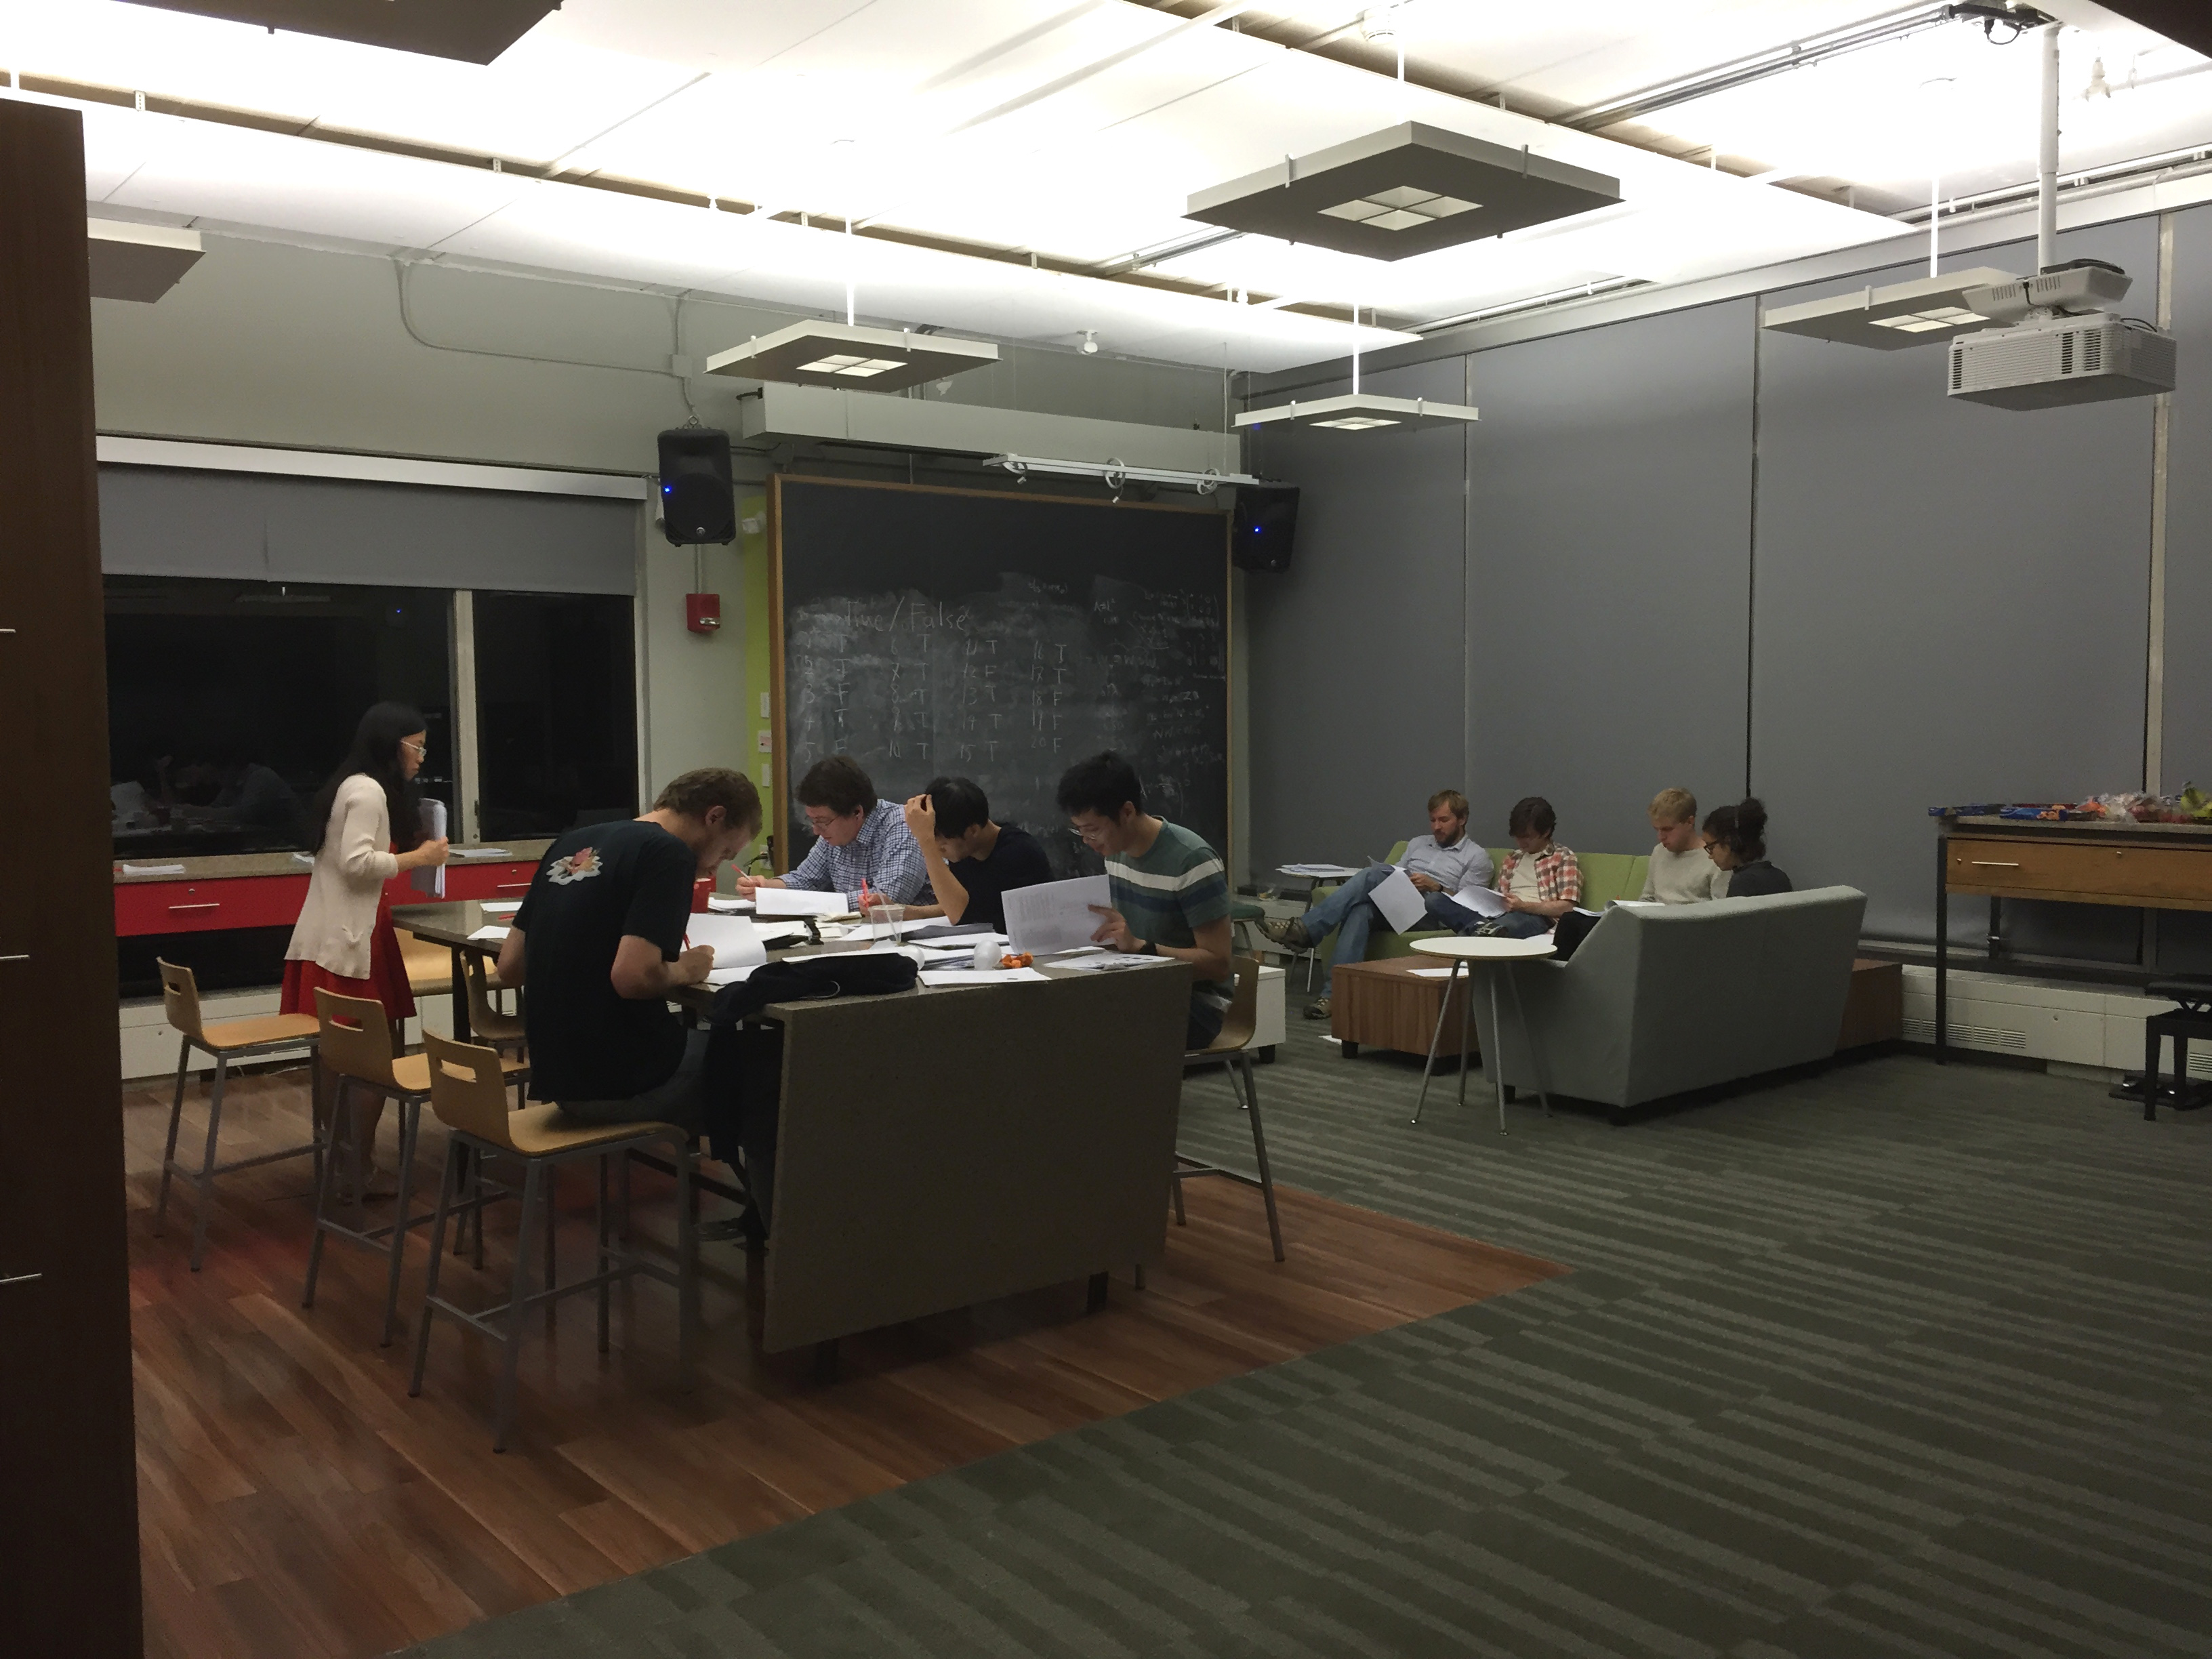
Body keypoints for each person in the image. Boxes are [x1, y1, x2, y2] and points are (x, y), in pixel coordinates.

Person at [493, 768, 761, 1133]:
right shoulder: (670, 854)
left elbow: (510, 966)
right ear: (714, 817)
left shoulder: (573, 842)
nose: (716, 867)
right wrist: (687, 968)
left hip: (557, 1078)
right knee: (777, 1066)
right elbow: (633, 978)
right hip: (624, 1080)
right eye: (727, 851)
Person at [282, 702, 450, 1197]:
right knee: (369, 1059)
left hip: (343, 934)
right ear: (394, 745)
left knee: (338, 1059)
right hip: (349, 941)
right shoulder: (368, 791)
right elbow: (357, 863)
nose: (421, 758)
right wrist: (420, 857)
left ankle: (346, 1166)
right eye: (417, 747)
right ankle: (356, 1170)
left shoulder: (352, 785)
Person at [1257, 789, 1494, 1021]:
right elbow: (1395, 874)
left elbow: (1469, 908)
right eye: (1432, 820)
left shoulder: (1476, 857)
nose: (1436, 827)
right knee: (1361, 910)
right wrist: (1401, 880)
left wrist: (1437, 887)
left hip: (1432, 914)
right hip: (1401, 905)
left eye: (1444, 820)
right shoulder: (1418, 844)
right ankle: (1335, 995)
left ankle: (1306, 930)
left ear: (1462, 819)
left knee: (1372, 875)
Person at [1057, 751, 1233, 1050]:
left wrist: (1142, 948)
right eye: (1080, 831)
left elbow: (1219, 965)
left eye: (1093, 830)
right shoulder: (1116, 854)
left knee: (1084, 1030)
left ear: (1126, 812)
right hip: (1137, 986)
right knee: (1052, 1012)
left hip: (1195, 1003)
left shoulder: (1192, 860)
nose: (1087, 841)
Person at [737, 754, 928, 908]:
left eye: (822, 822)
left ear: (857, 812)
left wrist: (819, 903)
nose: (816, 830)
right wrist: (766, 887)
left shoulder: (903, 826)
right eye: (812, 821)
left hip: (916, 937)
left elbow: (886, 898)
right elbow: (806, 880)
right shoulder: (833, 833)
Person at [902, 776, 1051, 930]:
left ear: (973, 831)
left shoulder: (1018, 853)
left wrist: (927, 844)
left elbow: (962, 916)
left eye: (944, 844)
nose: (939, 850)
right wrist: (906, 913)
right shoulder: (965, 851)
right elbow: (961, 904)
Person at [1478, 796, 1580, 939]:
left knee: (1494, 930)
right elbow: (1499, 895)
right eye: (1517, 836)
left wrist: (1523, 906)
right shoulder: (1512, 858)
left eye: (1527, 837)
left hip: (1538, 917)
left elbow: (1568, 907)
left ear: (1546, 832)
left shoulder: (1563, 857)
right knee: (1468, 924)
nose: (1521, 842)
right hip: (1504, 914)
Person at [1639, 787, 1728, 904]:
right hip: (1656, 914)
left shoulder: (1715, 858)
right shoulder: (1659, 851)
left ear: (1689, 822)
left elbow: (1721, 909)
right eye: (1657, 830)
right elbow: (1647, 899)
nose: (1660, 837)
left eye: (1667, 829)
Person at [1705, 798, 1793, 897]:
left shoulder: (1741, 883)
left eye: (1711, 848)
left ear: (1728, 841)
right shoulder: (1780, 876)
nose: (1710, 856)